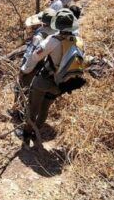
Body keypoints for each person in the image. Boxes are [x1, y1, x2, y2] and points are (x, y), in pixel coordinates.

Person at [16, 9, 80, 144]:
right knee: (45, 108)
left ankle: (26, 134)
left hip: (44, 80)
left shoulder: (53, 40)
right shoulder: (77, 41)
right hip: (60, 83)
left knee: (33, 108)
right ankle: (36, 132)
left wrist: (25, 70)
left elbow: (35, 56)